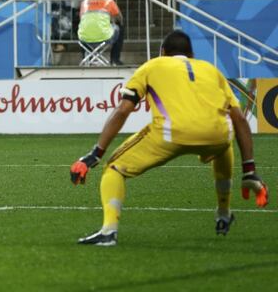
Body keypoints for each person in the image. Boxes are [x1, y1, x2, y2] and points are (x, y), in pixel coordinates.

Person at [70, 30, 269, 246]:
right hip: (217, 134)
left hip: (170, 133)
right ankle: (223, 213)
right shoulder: (212, 71)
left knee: (114, 169)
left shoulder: (153, 65)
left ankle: (109, 231)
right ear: (191, 54)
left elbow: (123, 110)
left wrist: (96, 153)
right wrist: (249, 169)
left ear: (163, 52)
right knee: (223, 147)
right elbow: (239, 118)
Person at [77, 0, 123, 65]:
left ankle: (86, 58)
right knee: (119, 28)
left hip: (84, 38)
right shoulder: (108, 1)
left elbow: (81, 19)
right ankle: (115, 59)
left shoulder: (84, 2)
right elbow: (119, 17)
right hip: (104, 37)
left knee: (84, 29)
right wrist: (111, 20)